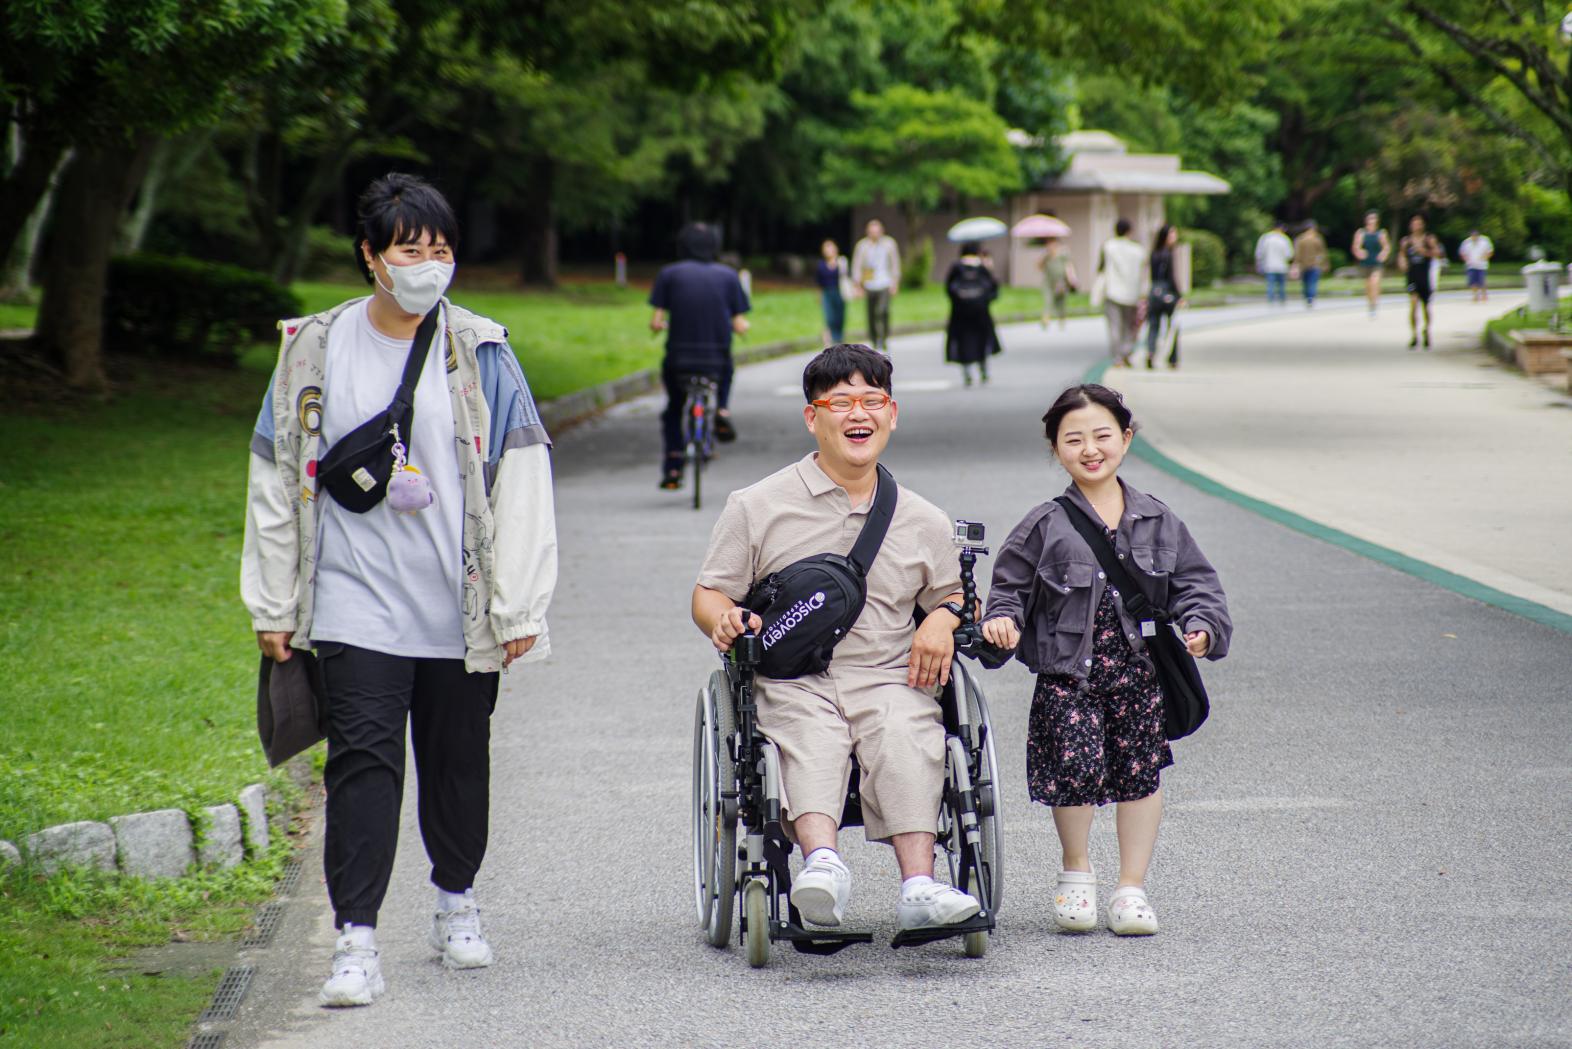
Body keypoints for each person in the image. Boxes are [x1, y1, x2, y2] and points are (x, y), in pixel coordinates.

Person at [241, 173, 559, 1007]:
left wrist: (519, 604)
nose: (428, 263)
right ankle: (356, 940)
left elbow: (522, 473)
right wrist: (274, 602)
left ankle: (456, 899)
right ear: (371, 257)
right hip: (353, 600)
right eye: (410, 249)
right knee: (362, 765)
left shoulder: (483, 347)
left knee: (458, 763)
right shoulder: (314, 346)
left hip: (457, 604)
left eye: (441, 248)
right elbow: (275, 479)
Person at [692, 344, 983, 933]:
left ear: (892, 413)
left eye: (872, 401)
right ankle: (821, 868)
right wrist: (725, 619)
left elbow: (960, 596)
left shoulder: (924, 519)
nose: (859, 414)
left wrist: (942, 619)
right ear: (812, 417)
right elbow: (710, 593)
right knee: (807, 737)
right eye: (841, 401)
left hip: (888, 675)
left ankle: (920, 887)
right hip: (794, 679)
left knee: (907, 733)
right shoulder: (757, 506)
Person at [980, 383, 1231, 937]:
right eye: (1074, 440)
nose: (1090, 449)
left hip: (1139, 672)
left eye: (1102, 435)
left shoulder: (1158, 519)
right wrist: (1002, 620)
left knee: (1140, 775)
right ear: (1056, 449)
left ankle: (1131, 888)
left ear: (1127, 438)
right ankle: (1077, 874)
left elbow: (1197, 585)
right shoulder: (1043, 523)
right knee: (1074, 770)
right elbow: (1008, 589)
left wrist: (1203, 628)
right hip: (1068, 672)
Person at [649, 222, 751, 489]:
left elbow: (656, 320)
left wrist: (660, 325)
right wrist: (741, 327)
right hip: (714, 359)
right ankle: (723, 409)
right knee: (728, 368)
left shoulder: (669, 274)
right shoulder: (729, 276)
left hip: (679, 358)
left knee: (673, 409)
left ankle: (673, 466)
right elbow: (739, 323)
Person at [943, 240, 1001, 386]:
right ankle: (984, 371)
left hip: (960, 314)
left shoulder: (956, 267)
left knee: (963, 343)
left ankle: (967, 373)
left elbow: (949, 289)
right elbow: (993, 290)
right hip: (981, 313)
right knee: (981, 341)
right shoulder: (982, 267)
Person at [1097, 218, 1146, 367]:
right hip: (1132, 293)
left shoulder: (1108, 246)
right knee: (1129, 326)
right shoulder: (1138, 250)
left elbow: (1101, 267)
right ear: (1130, 231)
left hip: (1112, 291)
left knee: (1114, 326)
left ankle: (1117, 357)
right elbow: (1143, 271)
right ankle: (1127, 352)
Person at [850, 219, 901, 351]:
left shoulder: (889, 244)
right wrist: (857, 285)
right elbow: (857, 265)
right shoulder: (862, 246)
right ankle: (874, 339)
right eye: (872, 231)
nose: (874, 234)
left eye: (877, 231)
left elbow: (895, 263)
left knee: (883, 310)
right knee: (871, 313)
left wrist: (895, 282)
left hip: (885, 282)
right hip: (869, 283)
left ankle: (884, 337)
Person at [1397, 214, 1443, 349]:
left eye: (1419, 223)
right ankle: (1414, 334)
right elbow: (1401, 255)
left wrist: (1424, 252)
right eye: (1414, 223)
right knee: (1413, 304)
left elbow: (1438, 253)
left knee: (1425, 306)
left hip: (1425, 276)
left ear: (1423, 225)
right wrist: (1402, 263)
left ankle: (1426, 330)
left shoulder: (1429, 239)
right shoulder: (1406, 241)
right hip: (1412, 276)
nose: (1416, 226)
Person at [1143, 225, 1183, 369]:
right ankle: (1172, 358)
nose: (1175, 237)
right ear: (1165, 236)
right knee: (1173, 325)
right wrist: (1179, 296)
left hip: (1154, 292)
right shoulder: (1169, 254)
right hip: (1167, 293)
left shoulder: (1154, 253)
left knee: (1153, 326)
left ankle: (1150, 352)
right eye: (1173, 234)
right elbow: (1172, 277)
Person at [1351, 211, 1391, 317]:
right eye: (1370, 218)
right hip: (1365, 262)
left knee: (1375, 282)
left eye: (1374, 218)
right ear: (1366, 220)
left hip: (1376, 262)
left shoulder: (1381, 233)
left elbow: (1386, 247)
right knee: (1368, 285)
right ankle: (1370, 303)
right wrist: (1360, 252)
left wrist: (1383, 254)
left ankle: (1375, 303)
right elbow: (1356, 246)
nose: (1372, 221)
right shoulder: (1361, 233)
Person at [1038, 237, 1077, 330]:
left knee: (1061, 302)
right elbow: (1039, 267)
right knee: (1048, 300)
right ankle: (1045, 319)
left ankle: (1062, 318)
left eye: (1052, 243)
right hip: (1048, 282)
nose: (1050, 246)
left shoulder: (1063, 254)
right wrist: (1044, 257)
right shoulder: (1046, 256)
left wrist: (1072, 279)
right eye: (1048, 244)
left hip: (1061, 282)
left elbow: (1069, 266)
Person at [816, 239, 848, 346]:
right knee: (829, 317)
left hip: (840, 292)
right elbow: (819, 281)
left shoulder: (842, 262)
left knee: (840, 317)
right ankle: (831, 340)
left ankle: (839, 339)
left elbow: (847, 277)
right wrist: (819, 295)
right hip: (827, 293)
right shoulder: (821, 265)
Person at [1254, 220, 1293, 305]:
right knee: (1281, 285)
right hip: (1281, 266)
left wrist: (1259, 263)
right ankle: (1282, 300)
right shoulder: (1284, 239)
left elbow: (1259, 253)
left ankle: (1270, 300)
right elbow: (1289, 255)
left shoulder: (1265, 238)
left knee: (1270, 285)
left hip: (1269, 265)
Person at [1293, 220, 1330, 308]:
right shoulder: (1317, 239)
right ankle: (1310, 298)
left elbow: (1297, 253)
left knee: (1305, 283)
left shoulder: (1300, 239)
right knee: (1312, 282)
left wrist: (1296, 263)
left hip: (1303, 265)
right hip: (1314, 264)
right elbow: (1322, 253)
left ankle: (1307, 296)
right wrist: (1324, 263)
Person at [1460, 228, 1494, 302]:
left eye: (1475, 236)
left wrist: (1484, 258)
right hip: (1471, 265)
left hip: (1482, 265)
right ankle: (1475, 296)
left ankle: (1484, 295)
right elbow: (1462, 253)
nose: (1474, 237)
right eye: (1473, 236)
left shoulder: (1485, 241)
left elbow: (1490, 251)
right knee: (1473, 281)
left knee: (1482, 281)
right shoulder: (1466, 242)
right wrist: (1467, 260)